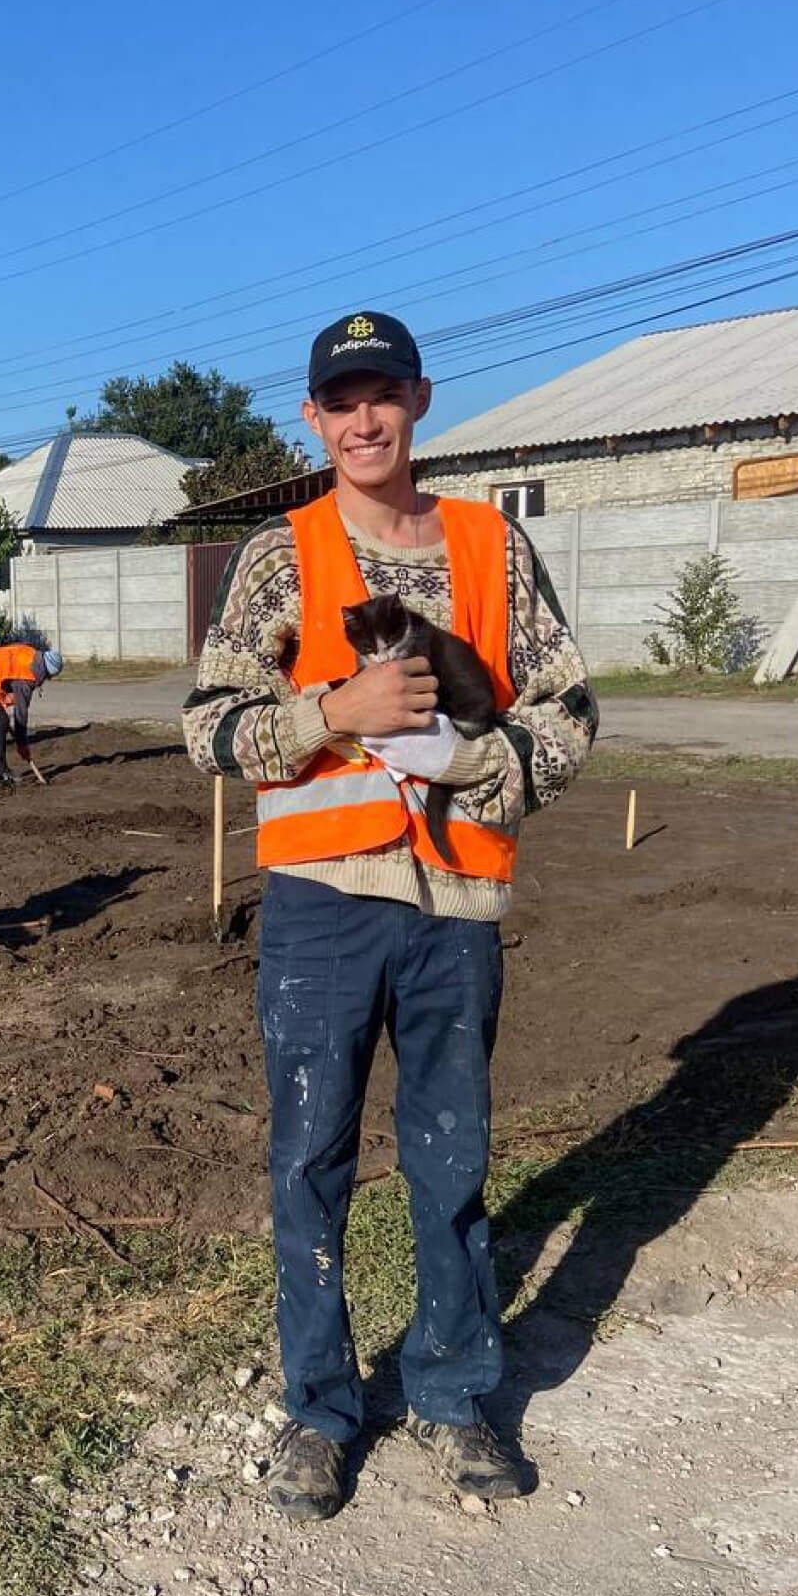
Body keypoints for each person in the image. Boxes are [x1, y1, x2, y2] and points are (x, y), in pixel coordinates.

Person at [183, 311, 597, 1518]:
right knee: (308, 1157)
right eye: (338, 399)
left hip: (454, 906)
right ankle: (317, 1410)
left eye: (381, 394)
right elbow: (207, 725)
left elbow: (566, 709)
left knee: (449, 1153)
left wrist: (474, 765)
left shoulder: (487, 546)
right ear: (310, 417)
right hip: (321, 906)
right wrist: (332, 708)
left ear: (418, 401)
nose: (362, 419)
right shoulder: (282, 552)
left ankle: (454, 1392)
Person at [0, 642, 63, 785]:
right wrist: (22, 745)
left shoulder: (31, 654)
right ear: (46, 672)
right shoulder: (27, 679)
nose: (46, 680)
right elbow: (20, 716)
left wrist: (6, 693)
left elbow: (8, 669)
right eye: (48, 677)